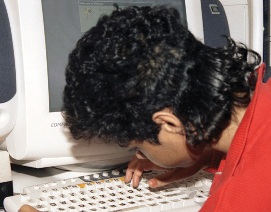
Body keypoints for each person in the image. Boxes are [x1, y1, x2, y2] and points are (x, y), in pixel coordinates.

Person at [19, 5, 271, 212]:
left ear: (170, 124)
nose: (140, 157)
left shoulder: (240, 198)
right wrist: (206, 153)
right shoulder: (263, 86)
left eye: (139, 147)